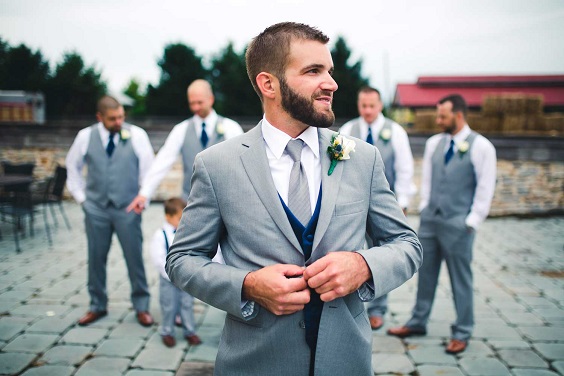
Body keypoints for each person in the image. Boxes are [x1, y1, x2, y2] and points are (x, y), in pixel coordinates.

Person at [166, 22, 422, 376]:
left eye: (329, 71)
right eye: (313, 71)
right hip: (255, 362)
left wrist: (363, 266)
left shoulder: (362, 158)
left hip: (346, 361)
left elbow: (407, 244)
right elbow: (182, 260)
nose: (331, 83)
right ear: (268, 84)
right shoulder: (217, 165)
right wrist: (248, 286)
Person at [387, 94, 497, 355]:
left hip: (459, 224)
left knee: (461, 279)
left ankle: (462, 331)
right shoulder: (434, 143)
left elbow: (486, 187)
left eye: (442, 116)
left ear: (458, 115)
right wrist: (425, 206)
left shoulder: (482, 147)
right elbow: (427, 178)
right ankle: (417, 321)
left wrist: (471, 221)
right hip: (430, 221)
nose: (438, 120)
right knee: (424, 275)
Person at [65, 95, 155, 327]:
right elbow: (72, 167)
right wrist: (82, 199)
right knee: (96, 258)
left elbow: (148, 169)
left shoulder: (137, 135)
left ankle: (142, 306)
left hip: (127, 207)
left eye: (121, 117)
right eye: (113, 118)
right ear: (100, 117)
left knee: (134, 257)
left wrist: (142, 197)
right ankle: (97, 305)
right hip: (96, 208)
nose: (119, 122)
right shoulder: (85, 136)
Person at [339, 86, 416, 330]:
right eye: (364, 106)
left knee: (381, 254)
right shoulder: (347, 130)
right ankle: (349, 307)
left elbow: (405, 169)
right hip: (351, 204)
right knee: (349, 252)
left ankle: (378, 308)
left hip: (383, 205)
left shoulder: (395, 132)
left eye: (372, 106)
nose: (368, 110)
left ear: (380, 105)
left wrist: (402, 203)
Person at [127, 79, 244, 213]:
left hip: (225, 201)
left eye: (199, 102)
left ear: (211, 99)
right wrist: (144, 193)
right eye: (192, 103)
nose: (195, 108)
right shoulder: (181, 130)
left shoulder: (231, 127)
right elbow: (163, 161)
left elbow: (242, 164)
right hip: (191, 202)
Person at [150, 197, 201, 347]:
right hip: (168, 280)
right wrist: (171, 276)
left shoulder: (186, 233)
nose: (183, 221)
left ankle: (189, 331)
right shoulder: (160, 235)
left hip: (185, 279)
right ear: (168, 216)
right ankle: (167, 331)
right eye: (180, 218)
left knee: (187, 304)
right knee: (169, 306)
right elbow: (158, 260)